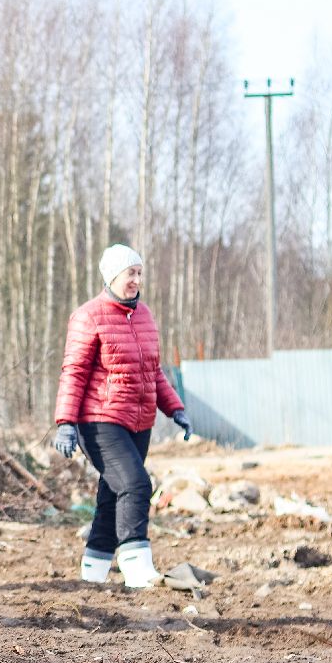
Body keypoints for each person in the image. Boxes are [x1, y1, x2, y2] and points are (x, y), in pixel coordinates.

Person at [52, 244, 192, 588]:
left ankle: (93, 573)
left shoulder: (144, 314)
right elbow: (74, 371)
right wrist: (65, 422)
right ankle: (137, 566)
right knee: (136, 484)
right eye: (130, 273)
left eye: (139, 273)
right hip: (99, 420)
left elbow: (153, 371)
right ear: (112, 276)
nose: (136, 279)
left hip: (139, 421)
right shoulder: (88, 316)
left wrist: (175, 408)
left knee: (113, 494)